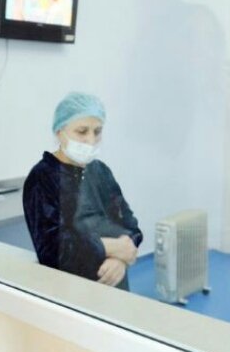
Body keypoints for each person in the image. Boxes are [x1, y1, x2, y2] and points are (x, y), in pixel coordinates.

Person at [22, 92, 143, 289]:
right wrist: (110, 247)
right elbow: (52, 251)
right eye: (82, 131)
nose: (91, 140)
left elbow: (131, 227)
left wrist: (120, 260)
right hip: (72, 290)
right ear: (59, 132)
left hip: (115, 283)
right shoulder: (43, 178)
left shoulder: (100, 172)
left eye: (97, 131)